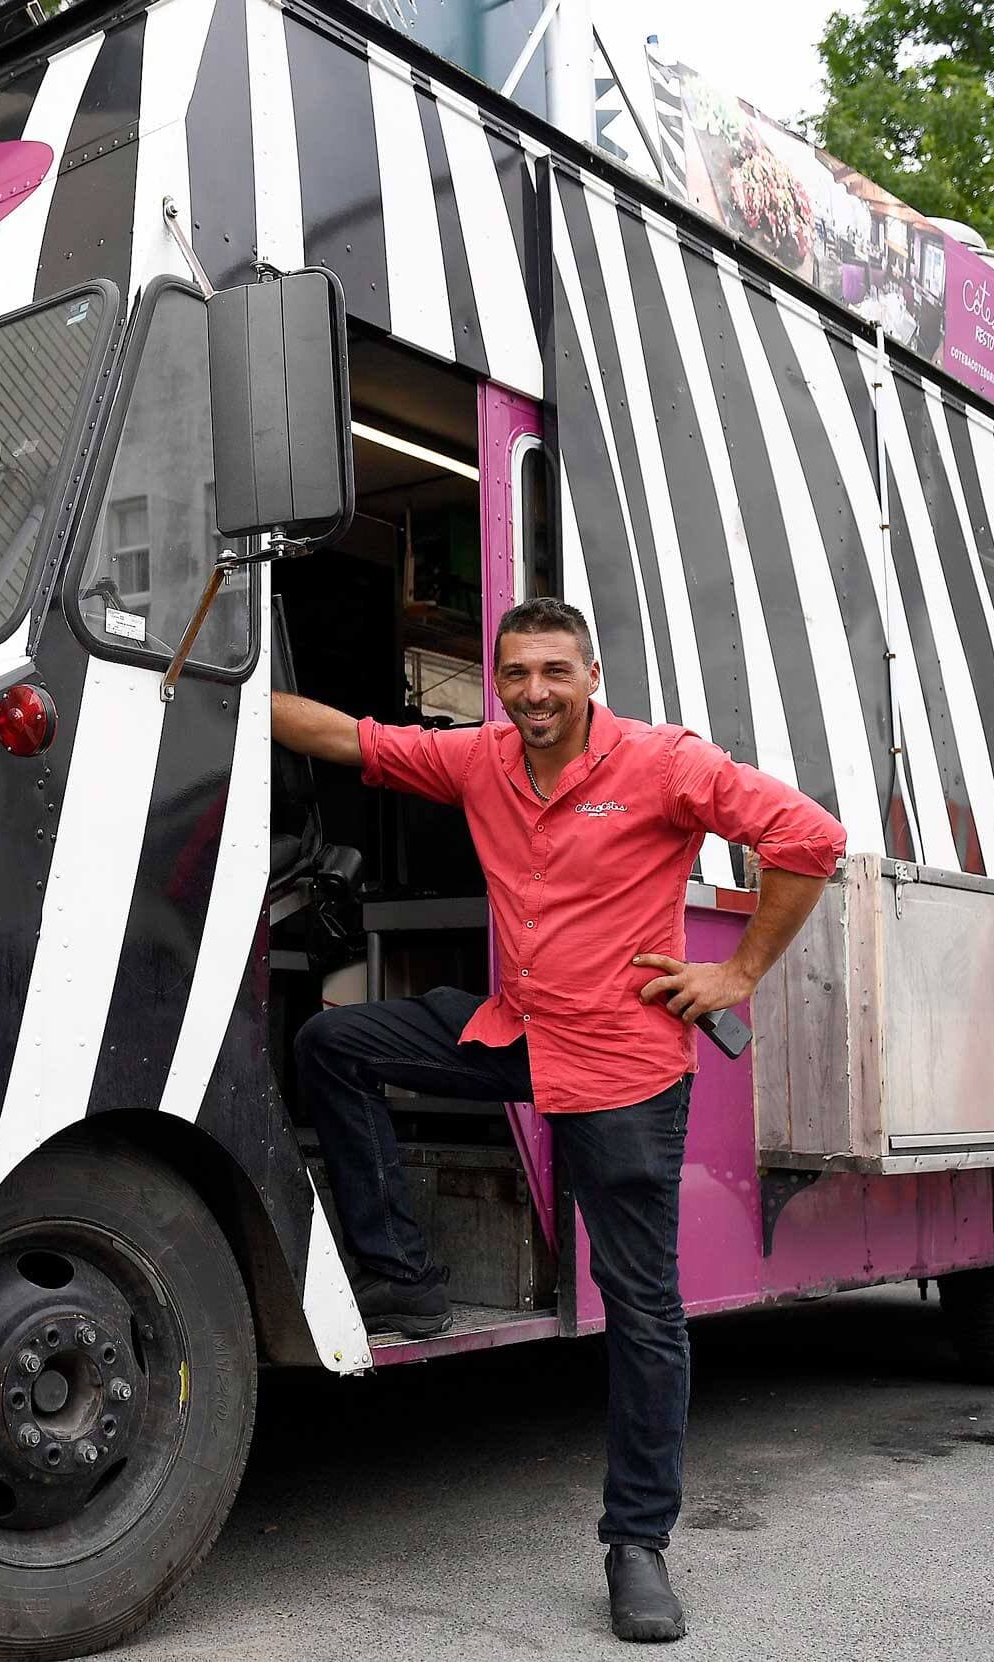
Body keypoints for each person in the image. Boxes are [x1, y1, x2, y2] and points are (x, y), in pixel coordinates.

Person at [273, 597, 845, 1644]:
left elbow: (808, 839)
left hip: (626, 1063)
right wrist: (196, 681)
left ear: (589, 675)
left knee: (639, 1308)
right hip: (517, 1031)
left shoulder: (663, 762)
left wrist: (737, 972)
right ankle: (403, 1280)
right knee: (331, 1045)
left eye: (553, 672)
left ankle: (637, 1546)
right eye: (515, 673)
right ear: (496, 679)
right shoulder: (480, 758)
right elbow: (341, 737)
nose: (533, 691)